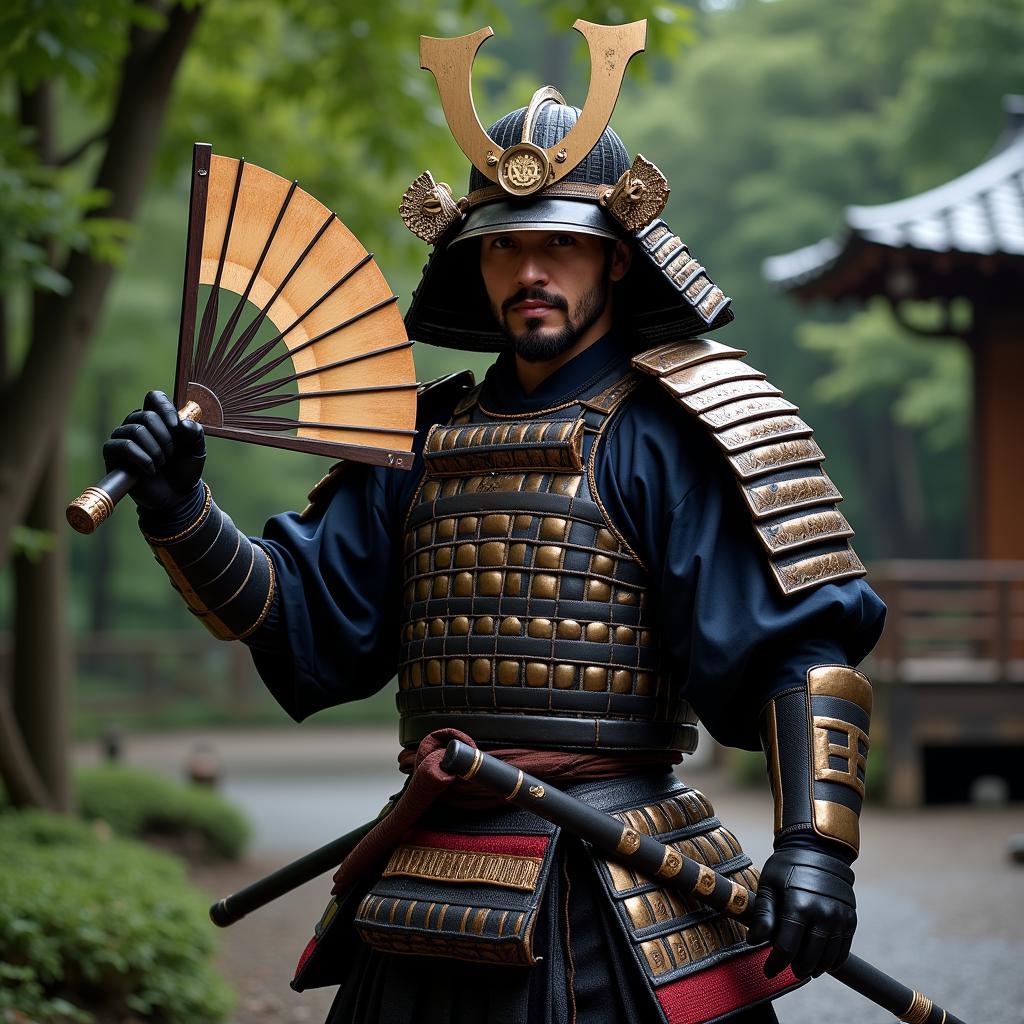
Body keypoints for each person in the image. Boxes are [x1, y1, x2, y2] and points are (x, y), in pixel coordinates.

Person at [101, 21, 885, 1024]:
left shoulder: (679, 430)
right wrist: (180, 508)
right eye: (505, 244)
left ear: (617, 257)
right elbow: (308, 623)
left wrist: (816, 853)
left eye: (561, 242)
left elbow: (800, 651)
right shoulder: (418, 436)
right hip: (426, 881)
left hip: (617, 879)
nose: (531, 271)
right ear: (472, 261)